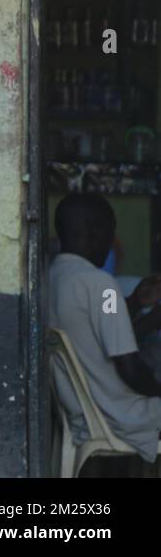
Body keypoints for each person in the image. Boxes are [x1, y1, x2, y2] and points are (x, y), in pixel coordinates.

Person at [48, 192, 161, 463]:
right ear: (96, 232)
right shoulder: (100, 284)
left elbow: (94, 326)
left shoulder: (54, 277)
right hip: (121, 417)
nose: (111, 242)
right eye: (112, 231)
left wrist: (134, 303)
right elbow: (129, 367)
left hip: (84, 413)